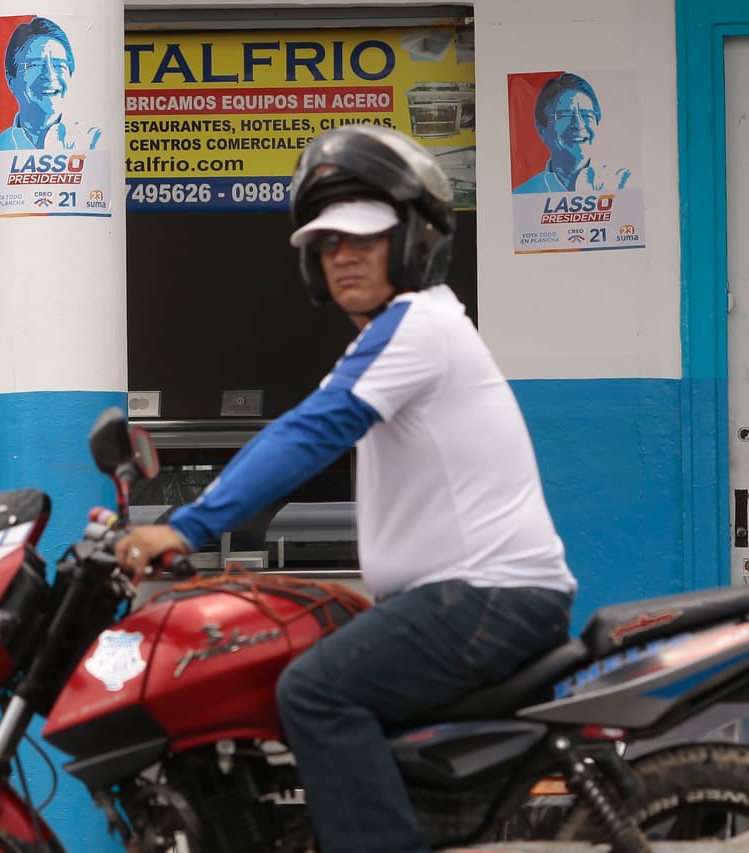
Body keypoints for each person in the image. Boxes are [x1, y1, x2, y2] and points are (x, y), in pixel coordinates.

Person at [115, 125, 577, 852]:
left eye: (365, 237)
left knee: (315, 690)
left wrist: (189, 526)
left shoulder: (417, 326)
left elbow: (309, 433)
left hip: (487, 597)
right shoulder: (397, 335)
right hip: (469, 598)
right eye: (328, 243)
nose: (344, 255)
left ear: (413, 240)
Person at [0, 16, 101, 152]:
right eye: (35, 65)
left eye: (59, 65)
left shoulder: (94, 141)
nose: (50, 76)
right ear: (11, 79)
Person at [513, 72, 630, 194]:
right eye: (565, 116)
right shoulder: (523, 195)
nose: (579, 125)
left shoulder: (624, 184)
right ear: (542, 129)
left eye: (587, 115)